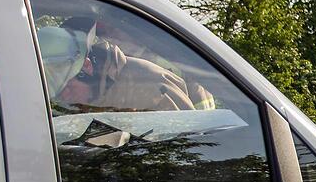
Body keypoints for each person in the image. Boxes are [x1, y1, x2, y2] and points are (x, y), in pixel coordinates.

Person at [39, 18, 197, 112]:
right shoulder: (86, 98)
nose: (65, 98)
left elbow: (189, 143)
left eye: (67, 87)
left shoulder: (150, 84)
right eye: (58, 93)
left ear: (87, 67)